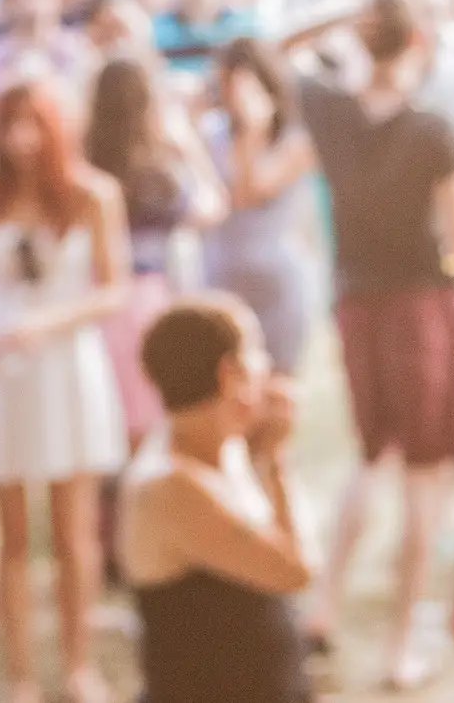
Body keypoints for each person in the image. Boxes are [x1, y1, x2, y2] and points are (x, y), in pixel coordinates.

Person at [305, 0, 454, 690]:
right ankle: (401, 643)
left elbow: (273, 51)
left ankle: (323, 604)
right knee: (426, 474)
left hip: (357, 304)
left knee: (369, 454)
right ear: (415, 42)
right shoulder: (433, 130)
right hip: (420, 307)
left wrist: (341, 12)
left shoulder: (332, 112)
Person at [0, 81, 131, 703]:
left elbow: (114, 288)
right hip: (4, 374)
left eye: (33, 124)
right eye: (9, 125)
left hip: (65, 368)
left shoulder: (92, 195)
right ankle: (20, 675)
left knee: (73, 530)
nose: (21, 139)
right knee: (13, 536)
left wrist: (45, 325)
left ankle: (78, 665)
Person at [118, 296, 312, 703]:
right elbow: (296, 569)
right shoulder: (169, 486)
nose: (267, 365)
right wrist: (278, 460)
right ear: (230, 374)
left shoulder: (224, 450)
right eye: (257, 351)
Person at [82, 55, 224, 441]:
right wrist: (188, 147)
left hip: (89, 299)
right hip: (144, 299)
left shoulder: (85, 166)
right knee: (146, 425)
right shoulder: (154, 173)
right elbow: (211, 207)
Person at [204, 37, 319, 376]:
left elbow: (252, 192)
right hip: (222, 276)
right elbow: (224, 200)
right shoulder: (212, 135)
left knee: (278, 394)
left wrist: (253, 131)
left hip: (278, 285)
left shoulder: (295, 142)